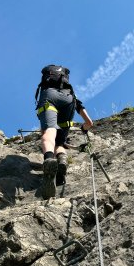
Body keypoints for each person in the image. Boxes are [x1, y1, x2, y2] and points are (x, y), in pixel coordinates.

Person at [36, 64, 93, 199]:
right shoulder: (69, 88)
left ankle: (49, 160)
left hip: (49, 96)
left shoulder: (47, 85)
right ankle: (61, 161)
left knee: (49, 131)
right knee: (60, 143)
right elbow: (88, 120)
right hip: (68, 100)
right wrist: (86, 126)